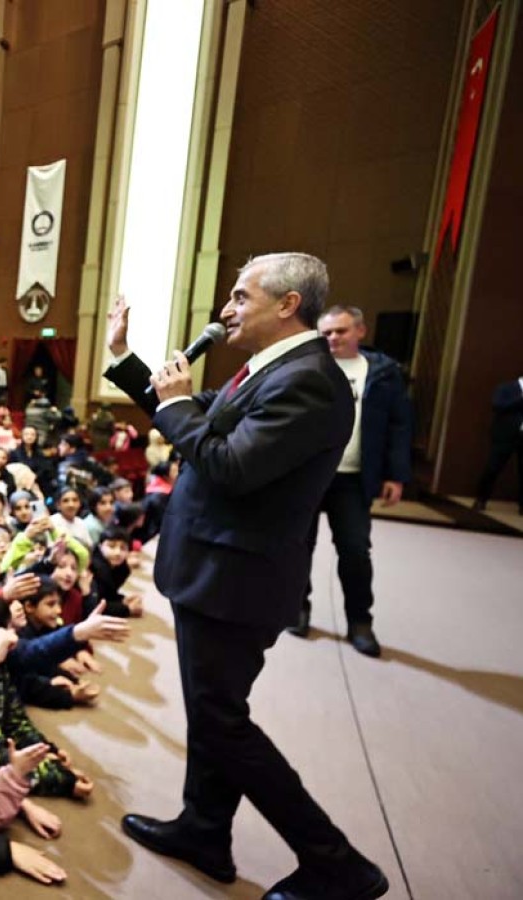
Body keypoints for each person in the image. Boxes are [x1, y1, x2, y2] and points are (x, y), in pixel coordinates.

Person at [103, 254, 387, 900]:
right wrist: (126, 358)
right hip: (217, 569)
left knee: (221, 724)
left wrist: (176, 407)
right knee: (214, 717)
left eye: (239, 296)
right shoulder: (272, 369)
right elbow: (192, 414)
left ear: (288, 304)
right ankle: (204, 830)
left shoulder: (309, 381)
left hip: (235, 581)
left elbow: (227, 464)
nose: (226, 309)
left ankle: (336, 864)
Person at [289, 305, 413, 655]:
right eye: (326, 333)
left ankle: (360, 622)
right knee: (298, 546)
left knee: (356, 551)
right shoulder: (308, 367)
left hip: (353, 478)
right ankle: (297, 608)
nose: (332, 338)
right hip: (309, 475)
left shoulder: (383, 373)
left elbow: (399, 425)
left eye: (340, 331)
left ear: (360, 331)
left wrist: (395, 475)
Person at [473, 375, 523, 514]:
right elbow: (498, 405)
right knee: (493, 467)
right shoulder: (506, 388)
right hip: (505, 435)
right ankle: (481, 499)